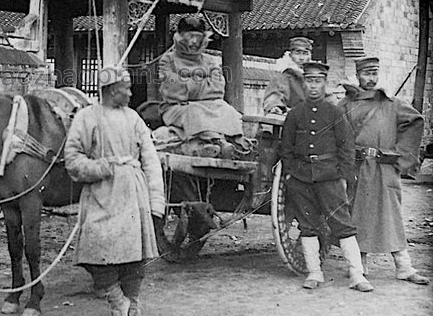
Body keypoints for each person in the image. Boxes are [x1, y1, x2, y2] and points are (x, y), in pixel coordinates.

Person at [64, 65, 166, 316]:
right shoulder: (87, 117)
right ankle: (116, 299)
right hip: (101, 194)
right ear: (110, 91)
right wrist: (99, 168)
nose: (131, 94)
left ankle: (132, 303)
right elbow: (72, 158)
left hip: (133, 194)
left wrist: (156, 202)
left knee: (136, 255)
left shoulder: (133, 118)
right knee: (95, 252)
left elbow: (151, 160)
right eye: (126, 89)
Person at [280, 61, 373, 292]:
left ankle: (357, 275)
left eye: (318, 81)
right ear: (304, 83)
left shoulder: (335, 112)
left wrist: (343, 176)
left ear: (324, 83)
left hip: (330, 177)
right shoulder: (294, 115)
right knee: (308, 226)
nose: (313, 86)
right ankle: (314, 273)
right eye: (309, 81)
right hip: (302, 179)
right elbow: (286, 149)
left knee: (343, 225)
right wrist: (292, 175)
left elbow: (347, 147)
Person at [339, 56, 429, 285]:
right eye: (366, 74)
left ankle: (404, 267)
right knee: (357, 216)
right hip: (358, 169)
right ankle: (359, 267)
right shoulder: (347, 104)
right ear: (358, 75)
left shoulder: (392, 103)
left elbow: (416, 121)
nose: (371, 79)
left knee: (392, 217)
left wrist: (404, 156)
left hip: (385, 168)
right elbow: (337, 135)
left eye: (374, 73)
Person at [157, 16, 245, 157]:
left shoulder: (210, 61)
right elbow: (172, 90)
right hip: (177, 107)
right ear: (180, 37)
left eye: (197, 37)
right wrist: (203, 82)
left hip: (211, 104)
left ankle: (237, 143)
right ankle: (218, 142)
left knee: (228, 110)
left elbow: (218, 89)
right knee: (195, 111)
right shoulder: (168, 60)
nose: (193, 42)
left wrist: (187, 82)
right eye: (189, 36)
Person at [263, 37, 312, 115]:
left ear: (310, 56)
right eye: (297, 53)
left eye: (305, 53)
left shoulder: (314, 75)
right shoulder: (283, 76)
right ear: (290, 55)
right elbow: (274, 95)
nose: (302, 58)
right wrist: (275, 107)